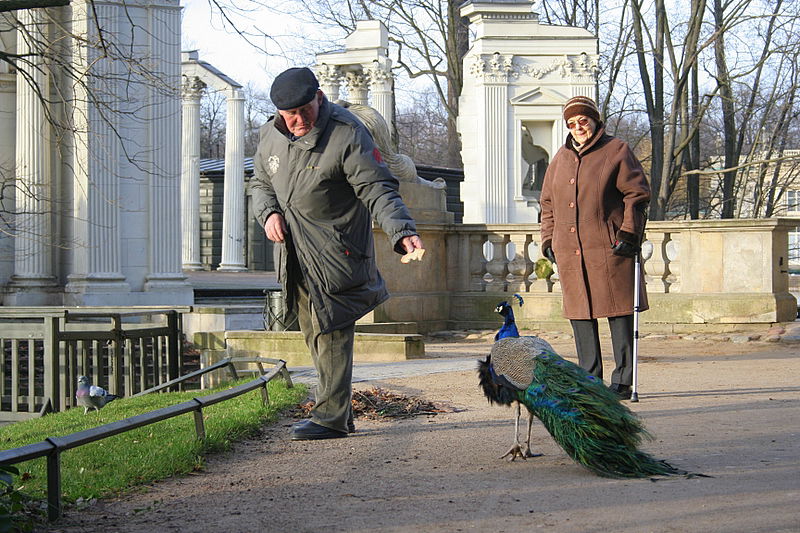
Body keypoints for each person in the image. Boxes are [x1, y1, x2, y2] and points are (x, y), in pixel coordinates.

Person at [251, 67, 424, 440]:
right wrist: (269, 214)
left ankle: (330, 417)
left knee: (331, 330)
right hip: (294, 253)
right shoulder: (269, 135)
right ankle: (338, 412)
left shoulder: (347, 133)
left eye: (304, 111)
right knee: (313, 331)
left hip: (337, 251)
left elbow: (377, 188)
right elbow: (260, 183)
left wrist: (403, 230)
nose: (298, 121)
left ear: (319, 97)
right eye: (289, 115)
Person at [539, 95, 650, 400]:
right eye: (572, 124)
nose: (578, 128)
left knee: (618, 311)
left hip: (610, 246)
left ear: (595, 121)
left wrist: (629, 233)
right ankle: (590, 380)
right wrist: (548, 238)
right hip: (570, 249)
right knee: (580, 315)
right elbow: (547, 203)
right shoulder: (559, 160)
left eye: (583, 121)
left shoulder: (617, 150)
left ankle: (624, 380)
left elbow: (636, 194)